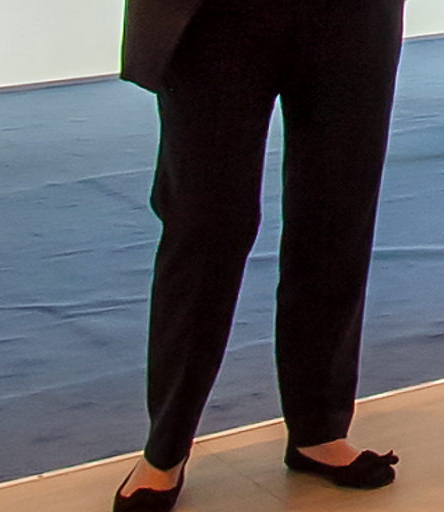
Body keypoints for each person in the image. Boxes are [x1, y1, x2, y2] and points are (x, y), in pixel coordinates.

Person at [113, 0, 405, 510]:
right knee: (205, 226)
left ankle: (319, 429)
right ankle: (166, 447)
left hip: (354, 14)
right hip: (216, 15)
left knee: (337, 214)